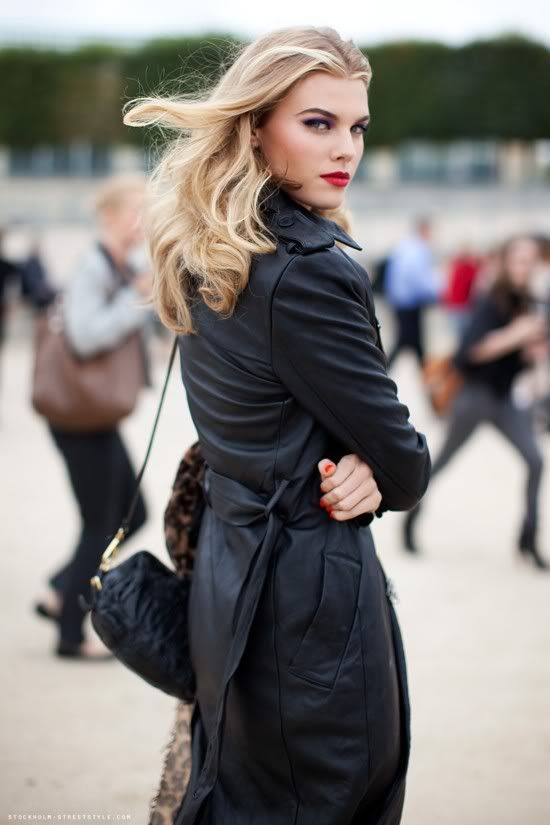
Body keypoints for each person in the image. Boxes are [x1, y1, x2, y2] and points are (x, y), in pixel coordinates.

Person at [125, 27, 431, 825]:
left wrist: (361, 457)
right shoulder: (307, 271)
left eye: (357, 125)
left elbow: (270, 411)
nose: (347, 147)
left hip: (229, 578)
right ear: (255, 126)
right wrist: (376, 463)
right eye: (318, 122)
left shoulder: (205, 248)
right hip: (305, 605)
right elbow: (406, 464)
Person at [33, 174, 153, 658]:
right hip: (77, 418)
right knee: (99, 524)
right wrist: (136, 298)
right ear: (109, 215)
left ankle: (62, 589)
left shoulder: (122, 264)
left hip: (95, 417)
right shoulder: (92, 268)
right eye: (134, 210)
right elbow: (84, 338)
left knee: (133, 513)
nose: (142, 220)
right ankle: (69, 633)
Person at [404, 235, 548, 569]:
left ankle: (529, 537)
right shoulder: (491, 299)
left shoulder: (530, 302)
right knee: (440, 463)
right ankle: (410, 517)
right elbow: (467, 353)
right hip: (474, 397)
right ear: (506, 262)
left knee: (536, 460)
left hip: (505, 399)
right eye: (520, 260)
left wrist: (531, 349)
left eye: (531, 261)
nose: (525, 267)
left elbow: (525, 354)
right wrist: (515, 335)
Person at [384, 216, 441, 368]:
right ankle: (383, 371)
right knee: (406, 340)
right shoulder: (418, 249)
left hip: (399, 301)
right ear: (424, 230)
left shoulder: (404, 247)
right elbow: (418, 278)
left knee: (412, 342)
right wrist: (435, 294)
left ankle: (424, 373)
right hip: (410, 302)